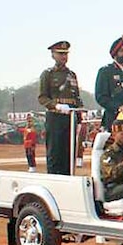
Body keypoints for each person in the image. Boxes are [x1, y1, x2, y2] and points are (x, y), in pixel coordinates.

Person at [37, 41, 83, 175]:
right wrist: (56, 106)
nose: (64, 57)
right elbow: (42, 97)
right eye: (60, 54)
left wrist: (80, 117)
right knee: (55, 154)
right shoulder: (48, 74)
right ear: (53, 55)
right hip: (55, 117)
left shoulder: (72, 75)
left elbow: (77, 98)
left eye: (66, 54)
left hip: (70, 118)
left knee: (68, 153)